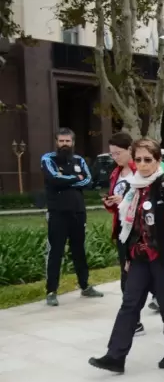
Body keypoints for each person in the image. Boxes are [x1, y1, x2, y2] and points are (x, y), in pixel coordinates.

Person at [88, 139, 164, 374]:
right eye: (139, 159)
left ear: (158, 161)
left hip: (163, 257)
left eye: (148, 160)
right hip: (139, 256)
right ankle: (115, 356)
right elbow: (130, 225)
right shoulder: (133, 188)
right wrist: (127, 257)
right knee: (129, 303)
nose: (143, 165)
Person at [42, 127, 104, 306]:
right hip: (57, 213)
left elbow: (88, 180)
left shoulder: (79, 160)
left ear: (73, 142)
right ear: (56, 142)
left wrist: (67, 179)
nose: (64, 144)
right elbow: (53, 179)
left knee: (79, 250)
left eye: (67, 141)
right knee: (56, 251)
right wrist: (75, 178)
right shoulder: (48, 159)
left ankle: (85, 286)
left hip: (78, 212)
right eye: (61, 141)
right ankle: (51, 291)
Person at [102, 131, 147, 335]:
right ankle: (133, 320)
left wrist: (126, 202)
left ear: (130, 150)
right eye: (112, 154)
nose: (115, 157)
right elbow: (116, 204)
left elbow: (145, 200)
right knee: (126, 272)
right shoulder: (116, 173)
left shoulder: (141, 170)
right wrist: (111, 203)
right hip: (122, 228)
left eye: (118, 153)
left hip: (140, 228)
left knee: (143, 272)